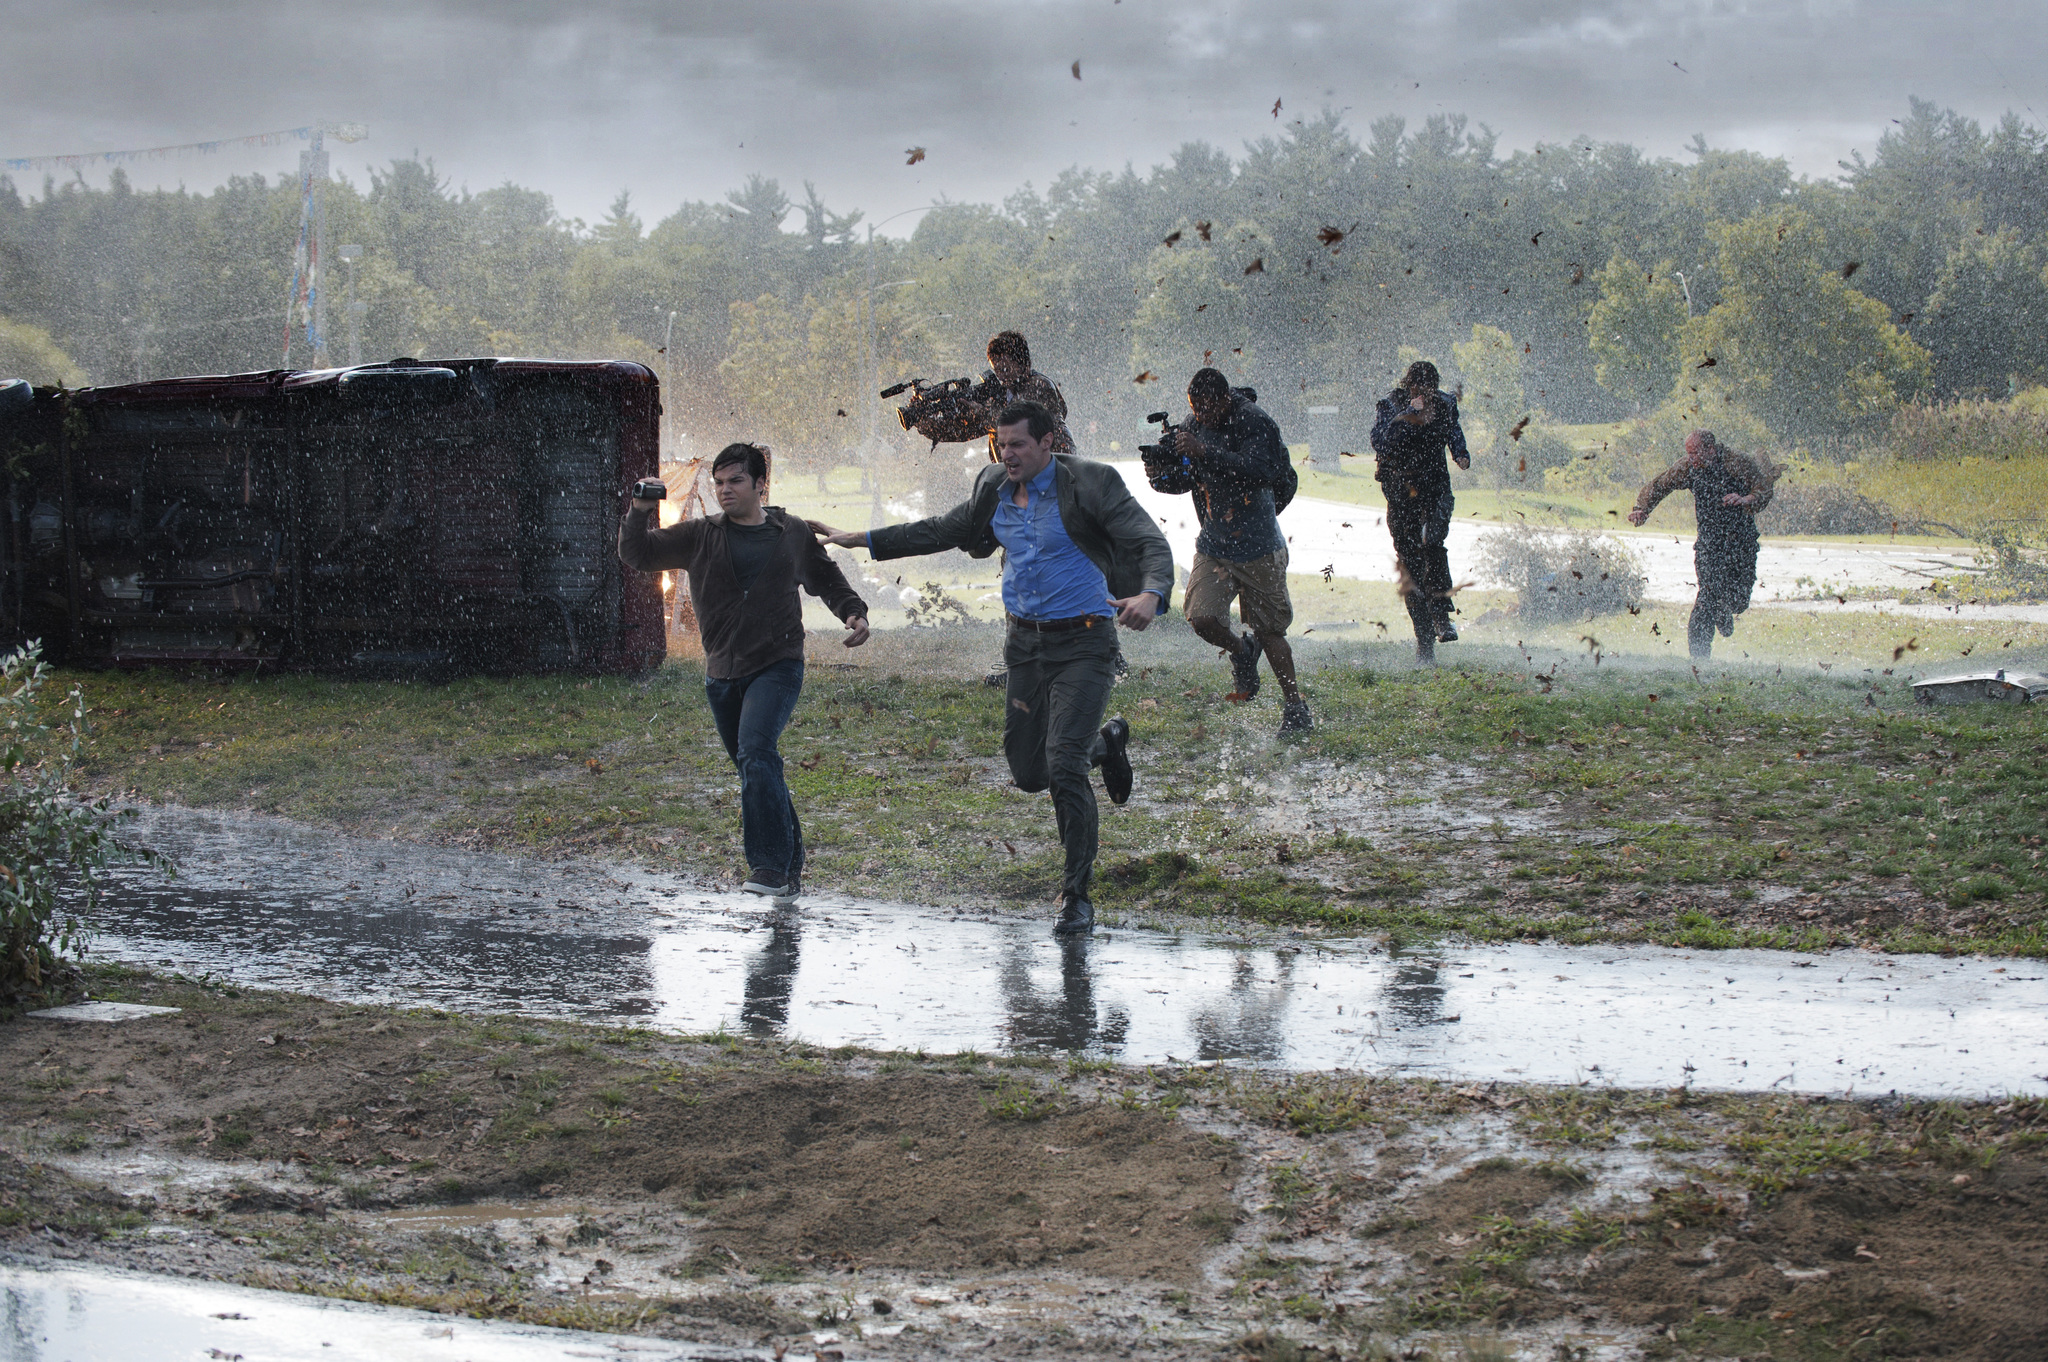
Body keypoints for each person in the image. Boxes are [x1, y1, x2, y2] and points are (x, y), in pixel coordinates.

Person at [816, 401, 1173, 936]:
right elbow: (943, 528)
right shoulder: (993, 486)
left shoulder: (1093, 483)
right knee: (1030, 774)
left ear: (1048, 442)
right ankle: (1107, 743)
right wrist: (863, 540)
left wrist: (1150, 593)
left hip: (1085, 642)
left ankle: (1076, 896)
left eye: (1018, 445)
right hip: (1024, 646)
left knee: (1064, 765)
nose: (1007, 454)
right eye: (1000, 445)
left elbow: (1148, 542)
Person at [617, 443, 871, 903]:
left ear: (760, 484)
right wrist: (639, 510)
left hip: (778, 664)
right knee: (757, 769)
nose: (724, 490)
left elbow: (825, 577)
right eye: (718, 482)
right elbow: (639, 553)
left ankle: (769, 867)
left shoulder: (791, 532)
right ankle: (791, 867)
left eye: (735, 481)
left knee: (756, 752)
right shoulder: (699, 534)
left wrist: (854, 614)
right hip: (722, 672)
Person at [1146, 368, 1311, 735]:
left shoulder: (1255, 421)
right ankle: (1240, 651)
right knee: (1201, 617)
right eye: (1195, 411)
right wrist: (1159, 474)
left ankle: (1295, 707)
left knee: (1270, 632)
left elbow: (1262, 470)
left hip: (1257, 544)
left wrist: (1204, 450)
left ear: (1223, 398)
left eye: (1206, 410)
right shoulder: (1196, 421)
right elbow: (1190, 477)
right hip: (1215, 542)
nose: (1200, 418)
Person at [1627, 430, 1779, 659]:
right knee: (1707, 597)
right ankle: (1699, 662)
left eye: (1695, 453)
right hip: (1709, 544)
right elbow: (1660, 485)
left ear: (1711, 449)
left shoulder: (1736, 462)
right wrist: (1641, 508)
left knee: (1738, 602)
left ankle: (1724, 609)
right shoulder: (1688, 467)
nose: (1691, 459)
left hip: (1741, 542)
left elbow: (1764, 490)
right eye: (1688, 453)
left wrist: (1745, 499)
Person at [1369, 360, 1471, 662]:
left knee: (1432, 543)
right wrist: (1410, 415)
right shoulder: (1391, 405)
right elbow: (1381, 442)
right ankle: (1424, 641)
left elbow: (1453, 429)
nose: (1426, 395)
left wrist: (1460, 452)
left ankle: (1441, 614)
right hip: (1401, 493)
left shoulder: (1444, 404)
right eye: (1420, 389)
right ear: (1410, 385)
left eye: (1430, 390)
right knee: (1410, 566)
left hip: (1435, 488)